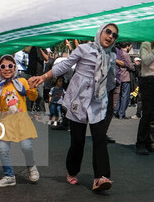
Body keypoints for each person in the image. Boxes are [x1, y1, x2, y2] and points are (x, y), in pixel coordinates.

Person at [30, 23, 118, 192]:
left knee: (100, 139)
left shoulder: (111, 56)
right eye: (108, 32)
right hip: (79, 100)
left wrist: (106, 96)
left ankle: (100, 178)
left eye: (114, 35)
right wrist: (43, 77)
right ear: (100, 32)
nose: (110, 37)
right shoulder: (85, 49)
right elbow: (65, 65)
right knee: (78, 140)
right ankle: (72, 171)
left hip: (98, 102)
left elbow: (111, 79)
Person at [0, 55, 40, 187]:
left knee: (26, 146)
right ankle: (9, 176)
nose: (7, 69)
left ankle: (31, 166)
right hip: (6, 124)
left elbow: (33, 97)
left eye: (10, 66)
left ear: (15, 67)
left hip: (22, 122)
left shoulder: (22, 82)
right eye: (3, 66)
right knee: (3, 149)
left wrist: (32, 87)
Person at [114, 43, 134, 119]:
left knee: (118, 95)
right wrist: (133, 68)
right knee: (125, 96)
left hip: (118, 76)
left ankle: (116, 111)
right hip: (125, 77)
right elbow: (130, 66)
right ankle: (121, 113)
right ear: (127, 46)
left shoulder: (117, 52)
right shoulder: (125, 54)